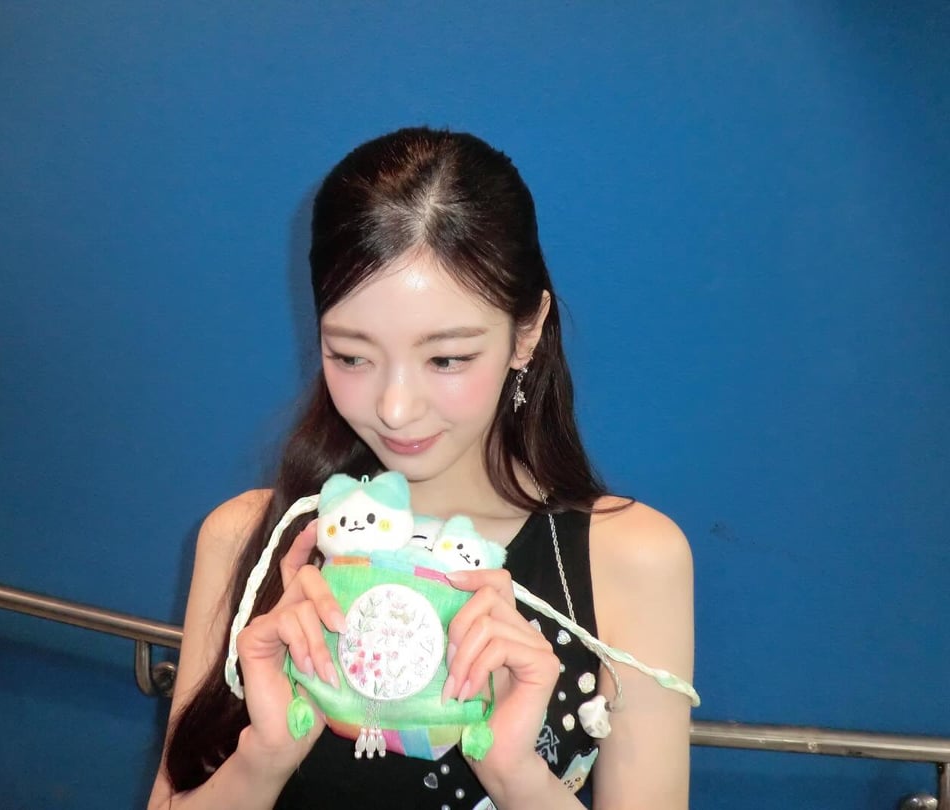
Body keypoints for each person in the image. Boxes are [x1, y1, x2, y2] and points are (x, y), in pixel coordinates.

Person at [147, 127, 695, 810]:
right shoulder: (250, 539)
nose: (395, 408)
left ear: (526, 332)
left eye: (446, 359)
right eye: (351, 356)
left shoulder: (631, 558)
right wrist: (264, 757)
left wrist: (513, 772)